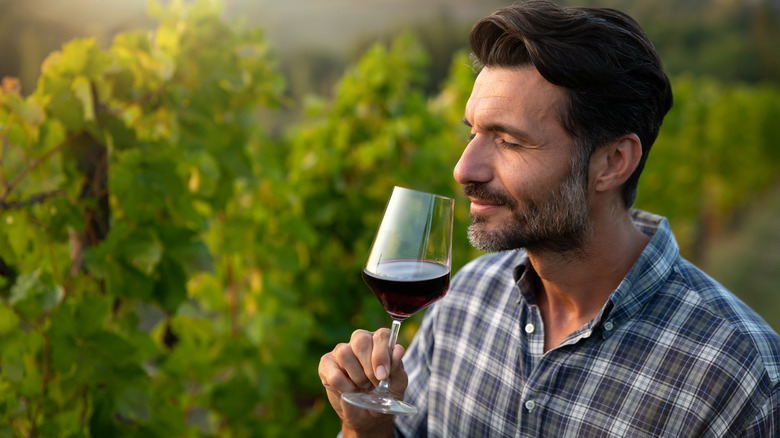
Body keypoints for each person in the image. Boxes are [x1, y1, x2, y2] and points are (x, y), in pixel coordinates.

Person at [318, 0, 780, 436]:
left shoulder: (740, 379)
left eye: (509, 141)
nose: (463, 169)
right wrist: (365, 427)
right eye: (474, 132)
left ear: (613, 162)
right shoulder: (463, 302)